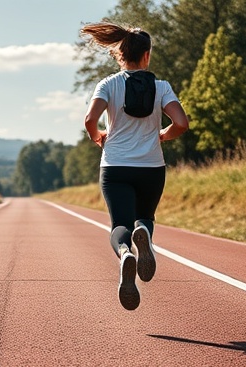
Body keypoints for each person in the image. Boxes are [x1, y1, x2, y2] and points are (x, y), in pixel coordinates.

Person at [81, 21, 189, 310]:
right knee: (145, 217)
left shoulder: (108, 84)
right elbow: (181, 123)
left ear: (120, 54)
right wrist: (163, 136)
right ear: (147, 56)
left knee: (119, 225)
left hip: (115, 166)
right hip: (151, 167)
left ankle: (126, 252)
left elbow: (90, 120)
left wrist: (97, 138)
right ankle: (144, 234)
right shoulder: (161, 87)